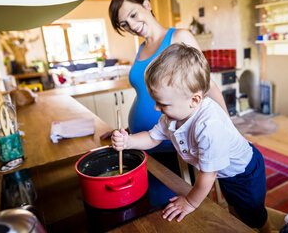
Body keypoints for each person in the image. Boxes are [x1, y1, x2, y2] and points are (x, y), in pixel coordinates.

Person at [111, 43, 271, 233]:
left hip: (244, 174)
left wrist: (189, 202)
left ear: (194, 100)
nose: (156, 108)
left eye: (162, 104)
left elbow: (208, 175)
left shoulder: (209, 126)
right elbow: (152, 138)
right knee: (235, 210)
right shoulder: (171, 117)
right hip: (224, 173)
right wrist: (129, 141)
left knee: (254, 217)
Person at [109, 0, 228, 174]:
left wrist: (226, 125)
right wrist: (126, 133)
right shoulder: (141, 49)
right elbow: (145, 95)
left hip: (172, 141)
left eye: (133, 15)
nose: (131, 26)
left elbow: (208, 85)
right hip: (142, 140)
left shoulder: (179, 37)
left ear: (147, 5)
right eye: (124, 24)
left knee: (176, 195)